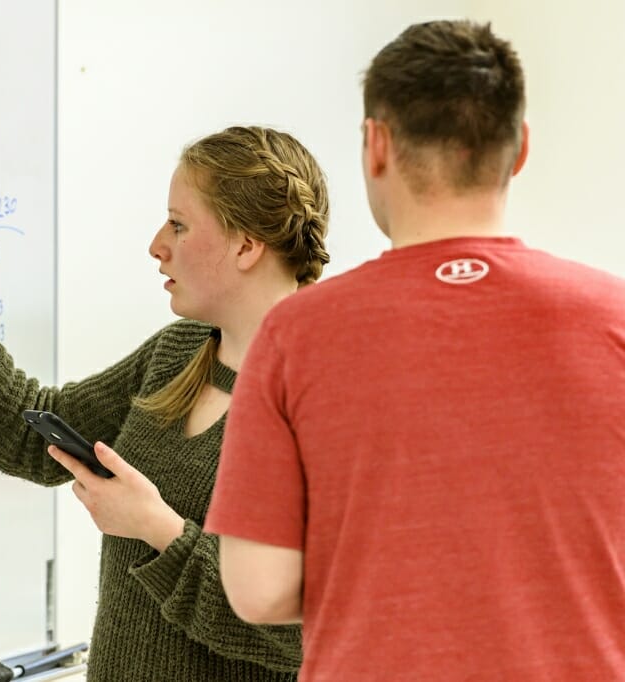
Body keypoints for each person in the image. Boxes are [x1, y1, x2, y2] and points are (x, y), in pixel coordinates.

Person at [206, 19, 625, 682]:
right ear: (519, 150)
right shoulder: (617, 318)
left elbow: (260, 590)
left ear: (376, 145)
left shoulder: (296, 334)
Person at [0, 125, 330, 681]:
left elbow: (307, 629)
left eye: (179, 224)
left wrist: (160, 530)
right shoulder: (180, 350)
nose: (158, 244)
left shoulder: (327, 396)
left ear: (246, 245)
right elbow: (34, 438)